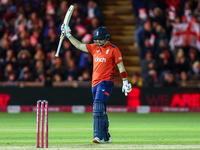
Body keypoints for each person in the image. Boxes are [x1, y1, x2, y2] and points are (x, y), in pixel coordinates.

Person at [60, 25, 132, 143]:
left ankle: (97, 136)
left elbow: (121, 66)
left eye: (100, 39)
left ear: (107, 38)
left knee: (97, 105)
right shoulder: (94, 48)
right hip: (94, 83)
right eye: (96, 39)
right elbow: (79, 45)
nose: (97, 41)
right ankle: (106, 137)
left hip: (106, 82)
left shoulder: (114, 50)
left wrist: (125, 82)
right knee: (100, 108)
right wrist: (68, 35)